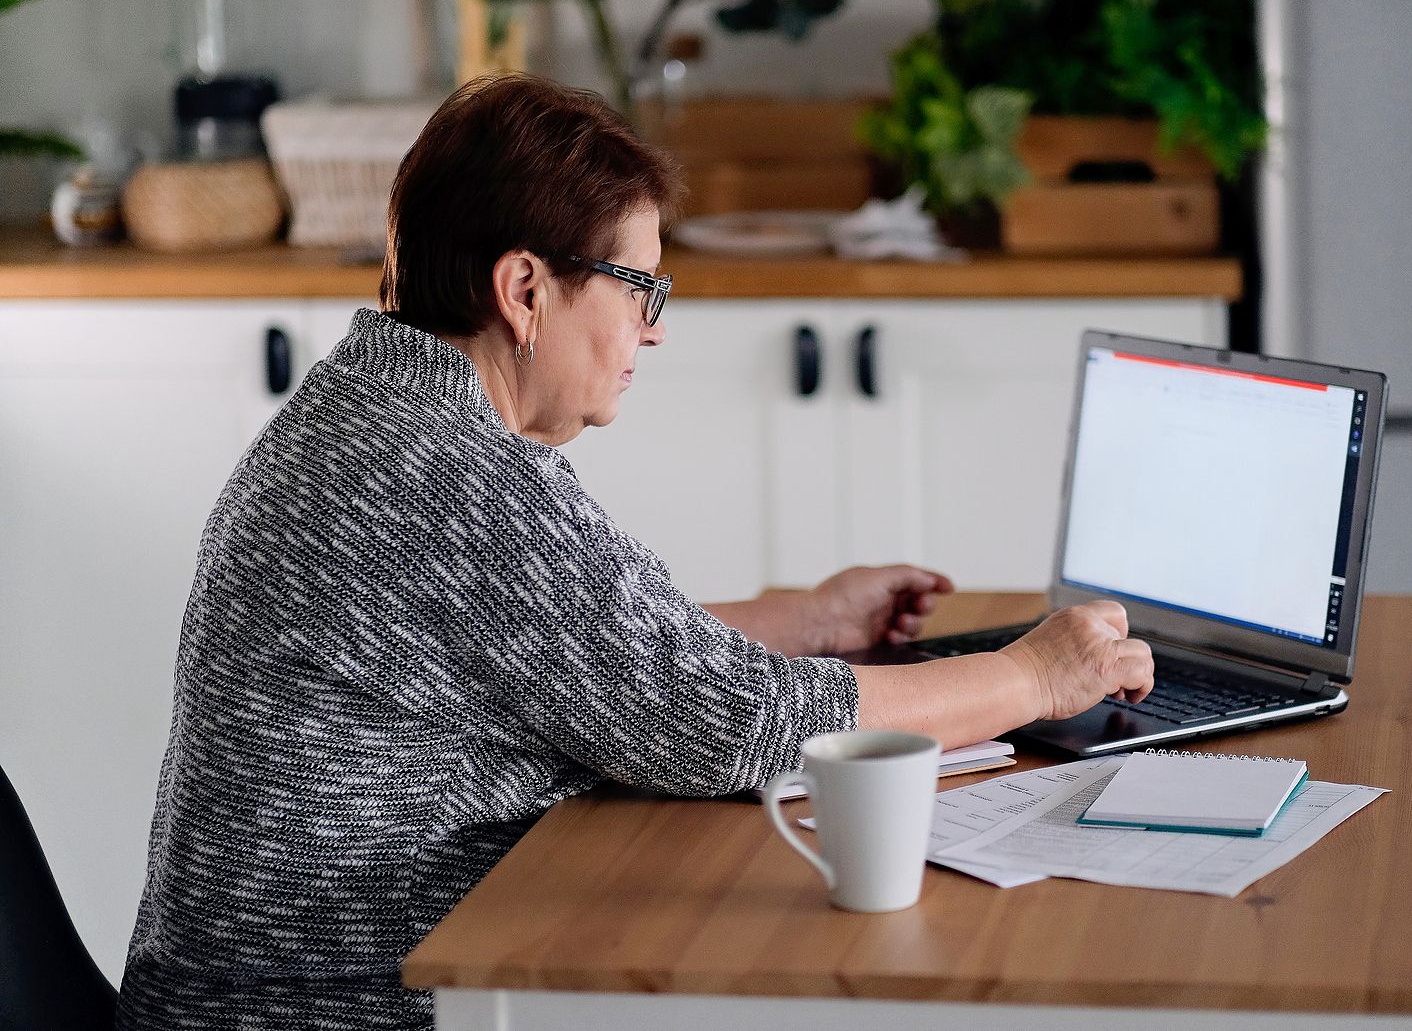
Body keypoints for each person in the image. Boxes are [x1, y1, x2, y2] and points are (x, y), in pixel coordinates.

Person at [117, 74, 1153, 1030]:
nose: (652, 332)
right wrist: (1034, 671)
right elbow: (733, 725)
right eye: (638, 289)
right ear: (525, 289)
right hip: (329, 1009)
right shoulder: (450, 476)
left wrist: (805, 624)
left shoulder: (380, 404)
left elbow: (565, 662)